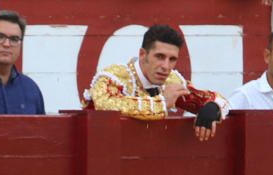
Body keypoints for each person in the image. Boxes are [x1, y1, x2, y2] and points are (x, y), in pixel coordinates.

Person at [82, 24, 228, 142]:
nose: (166, 66)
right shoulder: (114, 77)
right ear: (142, 54)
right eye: (160, 56)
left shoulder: (171, 81)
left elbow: (218, 100)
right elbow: (105, 104)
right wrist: (162, 103)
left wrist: (212, 107)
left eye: (172, 59)